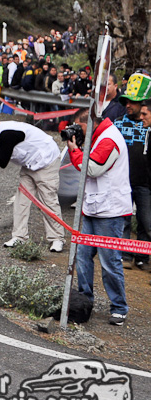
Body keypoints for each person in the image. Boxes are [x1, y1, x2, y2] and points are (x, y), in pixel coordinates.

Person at [67, 108, 131, 325]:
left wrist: (74, 151)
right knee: (83, 257)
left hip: (110, 211)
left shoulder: (108, 139)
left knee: (109, 261)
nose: (77, 131)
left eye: (79, 127)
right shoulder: (97, 137)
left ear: (89, 123)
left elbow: (93, 168)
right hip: (94, 207)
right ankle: (85, 302)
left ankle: (119, 307)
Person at [0, 117, 65, 252]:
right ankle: (19, 236)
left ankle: (57, 238)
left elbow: (2, 161)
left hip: (46, 160)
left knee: (48, 201)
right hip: (29, 163)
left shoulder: (7, 134)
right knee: (21, 201)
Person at [113, 72, 151, 270]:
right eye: (126, 101)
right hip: (122, 181)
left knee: (146, 222)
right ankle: (125, 255)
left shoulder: (149, 124)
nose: (128, 105)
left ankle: (142, 257)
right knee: (124, 220)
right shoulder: (118, 122)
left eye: (133, 102)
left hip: (145, 182)